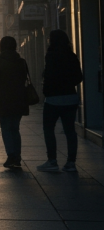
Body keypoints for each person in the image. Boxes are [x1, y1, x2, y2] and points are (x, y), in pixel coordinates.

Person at [37, 29, 84, 173]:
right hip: (70, 97)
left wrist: (47, 90)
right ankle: (71, 163)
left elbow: (49, 76)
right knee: (70, 130)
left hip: (53, 99)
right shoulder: (72, 56)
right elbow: (79, 77)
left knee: (48, 129)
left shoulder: (51, 56)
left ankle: (52, 161)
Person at [0, 36, 29, 169]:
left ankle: (11, 155)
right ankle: (17, 156)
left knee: (6, 128)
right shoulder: (21, 62)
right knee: (15, 128)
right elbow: (24, 78)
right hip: (18, 98)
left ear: (2, 47)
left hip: (3, 99)